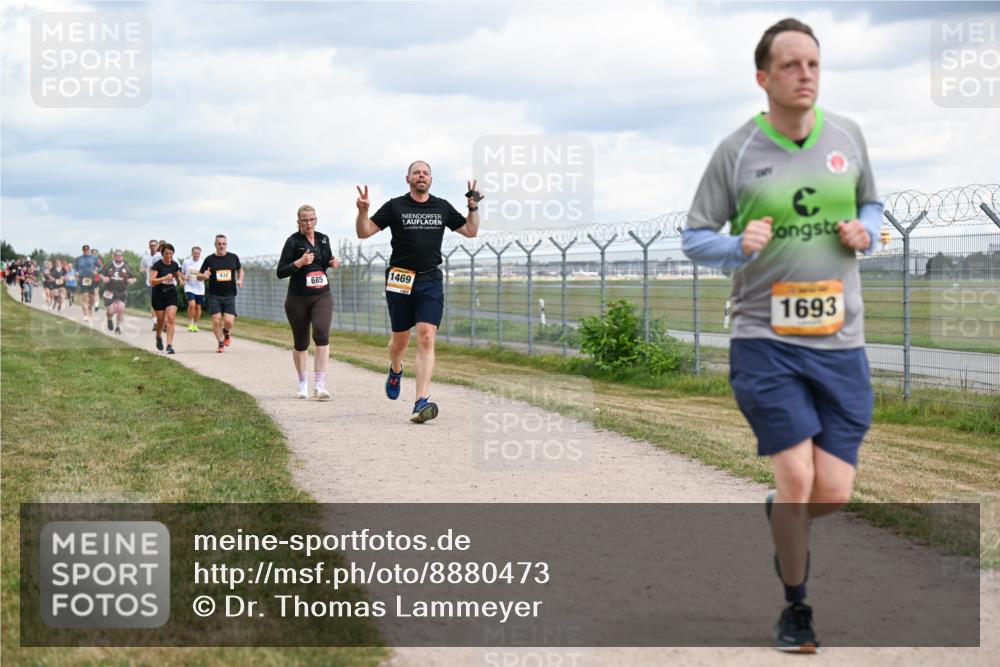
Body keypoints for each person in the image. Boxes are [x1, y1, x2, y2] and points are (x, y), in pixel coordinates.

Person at [681, 18, 882, 653]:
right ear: (764, 77)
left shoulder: (847, 137)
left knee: (834, 493)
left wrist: (866, 232)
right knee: (796, 479)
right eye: (791, 66)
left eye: (814, 65)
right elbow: (693, 236)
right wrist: (735, 244)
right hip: (764, 339)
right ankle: (797, 608)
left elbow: (873, 205)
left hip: (840, 342)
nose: (806, 76)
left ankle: (782, 520)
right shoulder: (737, 150)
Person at [355, 160, 481, 422]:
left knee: (426, 336)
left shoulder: (442, 207)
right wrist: (363, 212)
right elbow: (364, 233)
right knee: (400, 341)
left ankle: (420, 400)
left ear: (431, 180)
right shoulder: (395, 206)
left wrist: (473, 207)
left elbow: (471, 231)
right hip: (400, 279)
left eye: (425, 173)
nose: (421, 176)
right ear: (408, 179)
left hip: (429, 280)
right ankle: (395, 368)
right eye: (416, 173)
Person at [277, 205, 341, 400]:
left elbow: (324, 263)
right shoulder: (292, 242)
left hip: (322, 295)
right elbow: (280, 272)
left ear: (316, 220)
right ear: (298, 222)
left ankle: (320, 384)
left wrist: (332, 263)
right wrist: (299, 262)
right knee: (301, 342)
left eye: (311, 219)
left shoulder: (323, 239)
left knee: (322, 334)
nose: (308, 224)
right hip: (297, 298)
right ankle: (303, 382)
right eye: (304, 220)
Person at [197, 234, 243, 353]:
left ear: (226, 244)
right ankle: (220, 343)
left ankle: (227, 333)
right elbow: (199, 276)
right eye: (219, 244)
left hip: (230, 294)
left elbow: (240, 269)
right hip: (215, 295)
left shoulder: (233, 257)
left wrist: (240, 279)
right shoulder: (209, 259)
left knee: (229, 321)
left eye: (223, 244)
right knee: (216, 320)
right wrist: (204, 276)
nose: (221, 246)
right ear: (215, 244)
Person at [149, 243, 185, 354]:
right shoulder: (157, 265)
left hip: (171, 293)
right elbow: (152, 281)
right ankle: (158, 337)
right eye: (166, 254)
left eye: (171, 253)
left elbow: (178, 275)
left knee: (170, 318)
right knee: (161, 321)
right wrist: (164, 277)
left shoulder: (174, 265)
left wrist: (180, 281)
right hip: (158, 294)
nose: (169, 256)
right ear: (162, 254)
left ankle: (169, 345)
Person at [100, 249, 137, 334]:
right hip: (109, 291)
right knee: (110, 311)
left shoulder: (126, 266)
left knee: (121, 309)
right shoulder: (109, 265)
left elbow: (134, 277)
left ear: (122, 256)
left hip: (122, 291)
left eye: (120, 255)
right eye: (116, 255)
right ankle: (109, 319)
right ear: (114, 256)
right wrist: (103, 278)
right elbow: (101, 273)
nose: (118, 257)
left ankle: (118, 327)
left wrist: (132, 280)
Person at [139, 239, 162, 330]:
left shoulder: (161, 256)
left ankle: (161, 321)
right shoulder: (145, 257)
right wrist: (142, 270)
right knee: (153, 303)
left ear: (157, 246)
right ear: (149, 247)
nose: (153, 247)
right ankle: (155, 322)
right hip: (150, 283)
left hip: (160, 283)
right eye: (151, 245)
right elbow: (141, 267)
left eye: (154, 245)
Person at [182, 246, 205, 332]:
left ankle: (195, 324)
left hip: (200, 287)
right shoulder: (186, 262)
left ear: (200, 254)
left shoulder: (203, 262)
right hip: (189, 287)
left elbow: (206, 274)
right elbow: (181, 273)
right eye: (195, 253)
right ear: (192, 253)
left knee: (198, 307)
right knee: (192, 305)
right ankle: (190, 323)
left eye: (198, 253)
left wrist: (203, 277)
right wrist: (184, 277)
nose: (196, 255)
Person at [74, 244, 100, 322]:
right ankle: (85, 315)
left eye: (87, 250)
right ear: (83, 251)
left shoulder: (94, 258)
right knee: (85, 296)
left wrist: (97, 271)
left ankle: (90, 308)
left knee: (91, 298)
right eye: (85, 250)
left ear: (89, 250)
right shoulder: (79, 259)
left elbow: (100, 266)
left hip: (91, 279)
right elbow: (75, 268)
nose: (86, 251)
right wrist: (76, 272)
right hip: (83, 279)